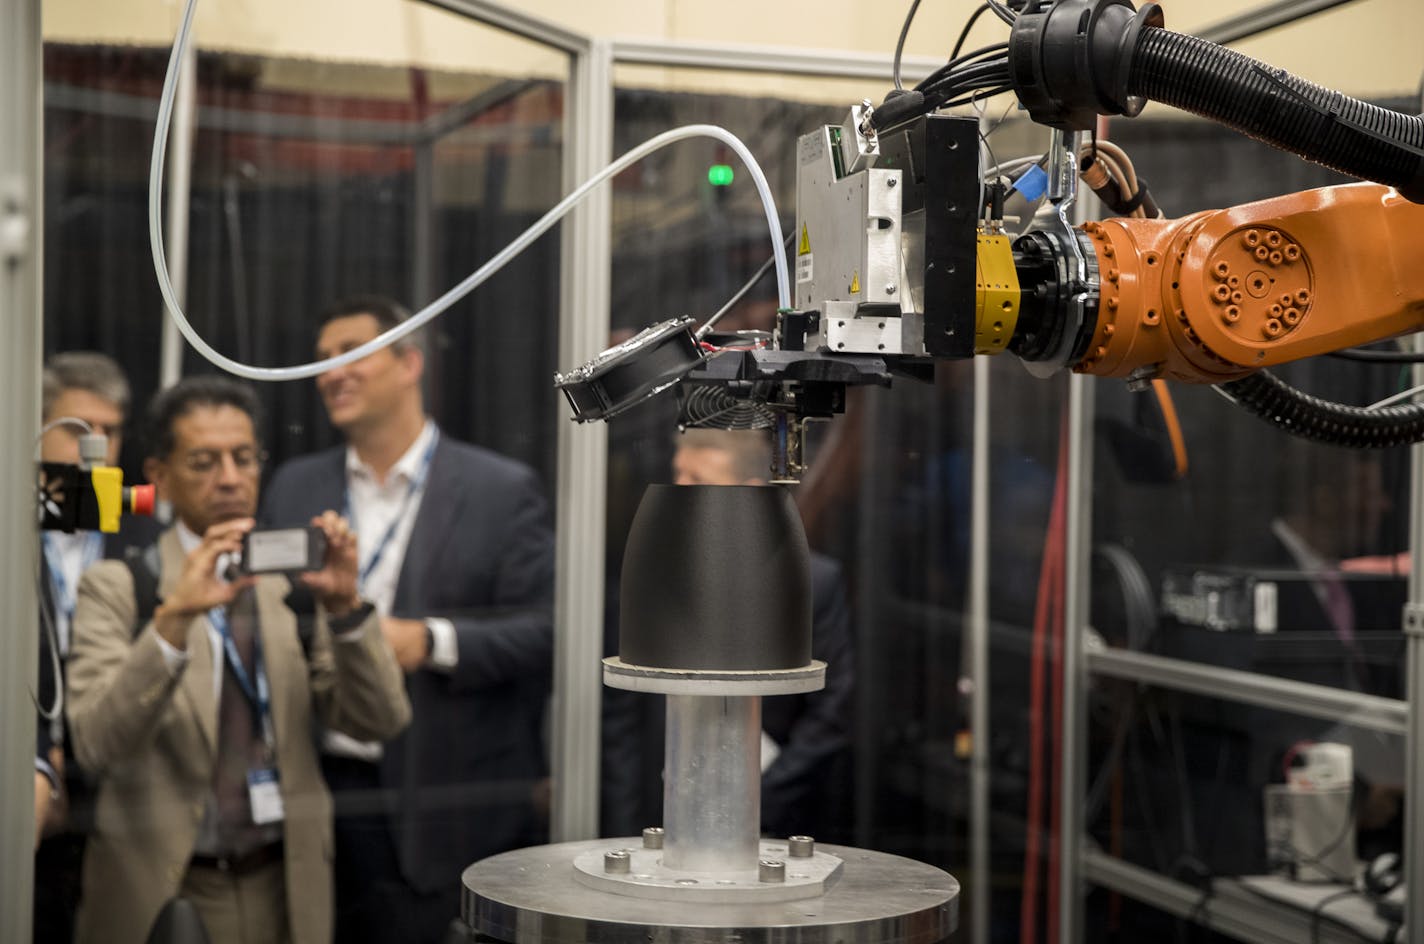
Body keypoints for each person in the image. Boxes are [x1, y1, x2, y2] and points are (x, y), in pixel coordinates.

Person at [65, 375, 411, 944]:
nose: (230, 478)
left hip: (286, 887)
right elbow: (98, 745)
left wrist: (346, 608)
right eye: (203, 461)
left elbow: (381, 721)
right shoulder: (121, 587)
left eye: (244, 458)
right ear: (159, 477)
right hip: (165, 888)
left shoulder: (289, 587)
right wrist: (174, 620)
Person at [261, 295, 556, 944]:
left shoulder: (498, 492)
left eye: (352, 354)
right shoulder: (295, 488)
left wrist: (429, 641)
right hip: (322, 784)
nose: (331, 373)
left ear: (409, 363)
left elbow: (546, 633)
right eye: (321, 360)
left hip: (445, 794)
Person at [605, 427, 855, 840]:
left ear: (750, 494)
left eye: (698, 480)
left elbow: (833, 709)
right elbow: (621, 719)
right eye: (679, 475)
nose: (681, 491)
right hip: (658, 819)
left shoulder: (812, 580)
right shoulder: (653, 577)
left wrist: (758, 801)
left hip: (777, 822)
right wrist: (625, 825)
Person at [33, 351, 158, 943]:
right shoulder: (14, 522)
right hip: (26, 763)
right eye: (80, 427)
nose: (98, 444)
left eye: (110, 430)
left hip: (113, 774)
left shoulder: (140, 532)